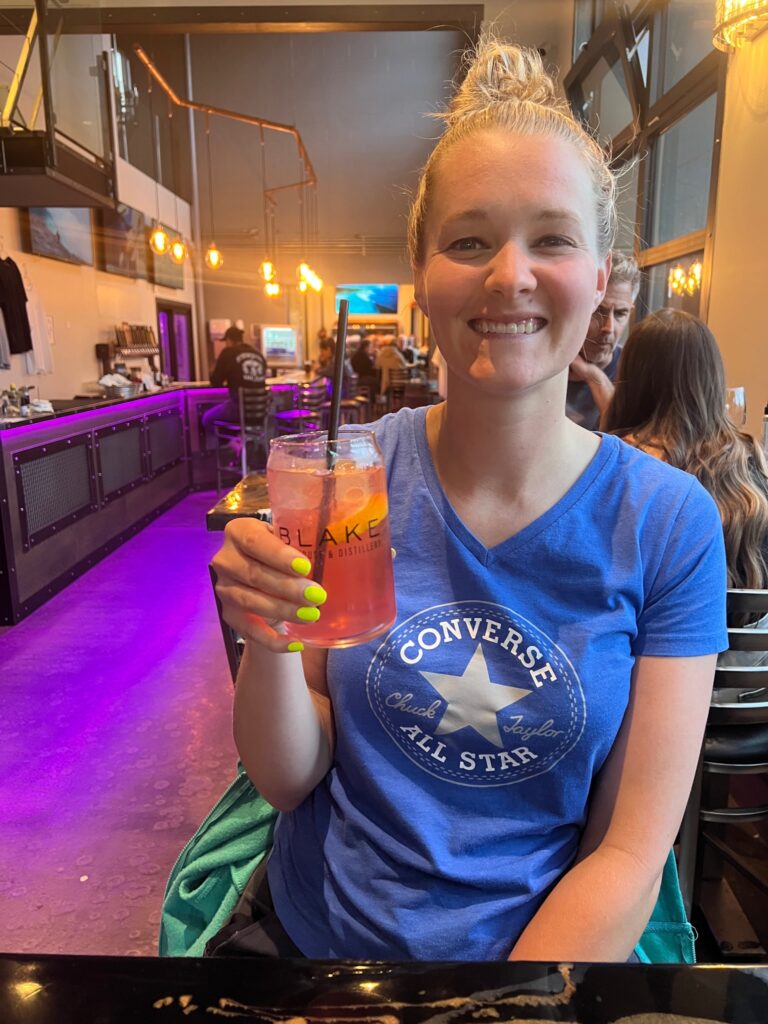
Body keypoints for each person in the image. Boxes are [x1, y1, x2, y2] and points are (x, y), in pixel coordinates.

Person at [210, 38, 727, 963]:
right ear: (422, 274)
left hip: (532, 974)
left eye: (554, 238)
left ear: (603, 280)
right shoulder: (351, 478)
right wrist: (266, 636)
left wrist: (494, 1011)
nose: (509, 275)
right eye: (470, 239)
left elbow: (629, 849)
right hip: (313, 949)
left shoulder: (670, 522)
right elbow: (289, 778)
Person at [602, 308, 768, 591]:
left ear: (632, 379)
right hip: (744, 631)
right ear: (712, 378)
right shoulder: (750, 457)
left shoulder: (620, 460)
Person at [565, 252, 640, 429]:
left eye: (621, 313)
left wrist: (593, 375)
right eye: (599, 311)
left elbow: (628, 446)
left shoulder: (636, 374)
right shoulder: (547, 364)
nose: (609, 327)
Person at [202, 325, 267, 436]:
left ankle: (233, 443)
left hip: (238, 410)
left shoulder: (228, 352)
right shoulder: (258, 354)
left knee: (207, 418)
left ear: (229, 340)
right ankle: (242, 440)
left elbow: (216, 381)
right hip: (260, 412)